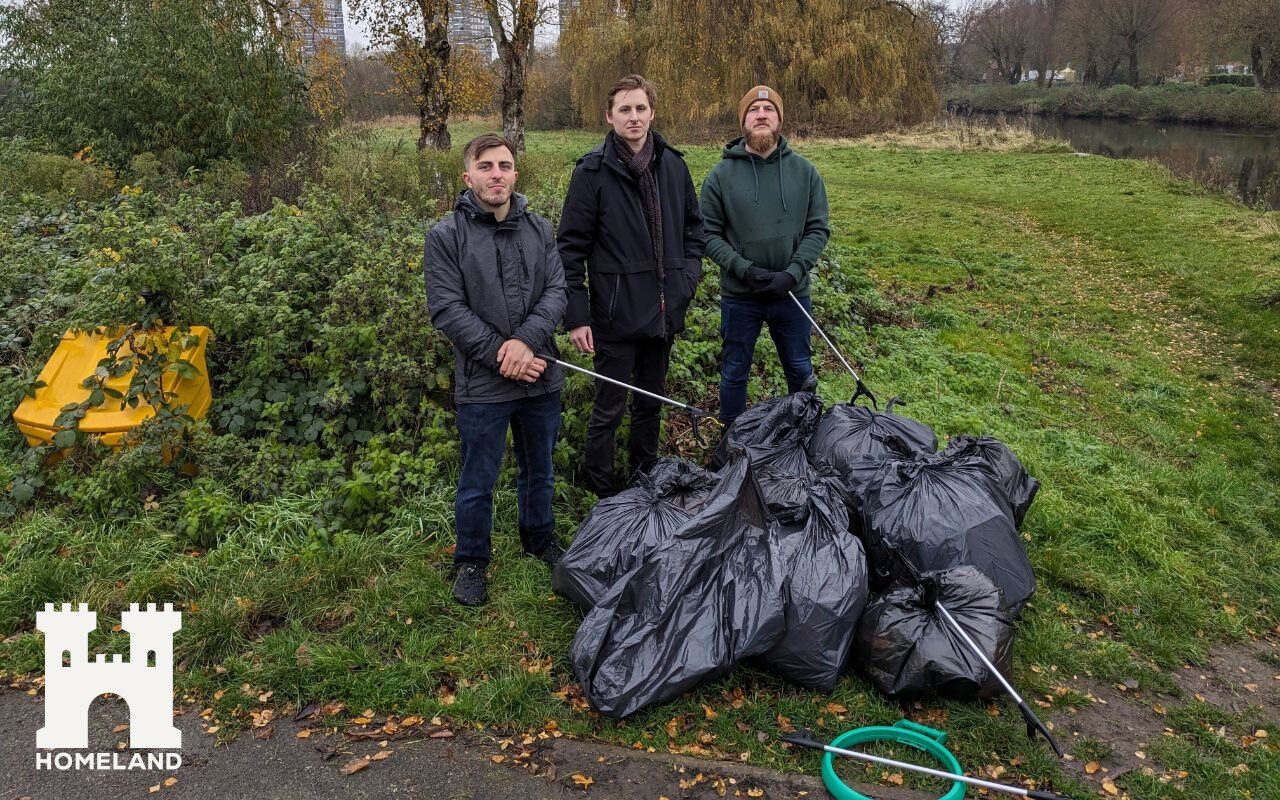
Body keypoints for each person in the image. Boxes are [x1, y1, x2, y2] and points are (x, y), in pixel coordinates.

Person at [424, 133, 568, 607]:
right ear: (468, 177)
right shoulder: (445, 236)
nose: (496, 174)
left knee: (540, 470)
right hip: (482, 382)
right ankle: (470, 561)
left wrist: (525, 344)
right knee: (477, 478)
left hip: (539, 375)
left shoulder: (540, 229)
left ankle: (539, 539)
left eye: (504, 166)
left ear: (515, 174)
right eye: (485, 167)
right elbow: (447, 308)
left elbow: (557, 294)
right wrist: (502, 353)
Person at [557, 74, 707, 496]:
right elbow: (570, 249)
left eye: (641, 108)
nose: (634, 117)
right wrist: (577, 315)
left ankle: (645, 479)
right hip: (614, 314)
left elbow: (695, 230)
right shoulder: (592, 172)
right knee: (610, 406)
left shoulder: (674, 165)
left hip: (664, 310)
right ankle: (601, 490)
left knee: (650, 403)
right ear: (609, 116)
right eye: (624, 109)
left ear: (652, 112)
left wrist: (686, 279)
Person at [699, 85, 830, 426]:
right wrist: (743, 269)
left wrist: (794, 272)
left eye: (768, 110)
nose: (760, 115)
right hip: (741, 296)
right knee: (734, 373)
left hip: (792, 293)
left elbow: (818, 229)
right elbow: (707, 234)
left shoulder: (805, 172)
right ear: (743, 121)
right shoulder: (720, 177)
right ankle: (731, 442)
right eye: (753, 111)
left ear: (779, 120)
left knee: (800, 370)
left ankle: (806, 436)